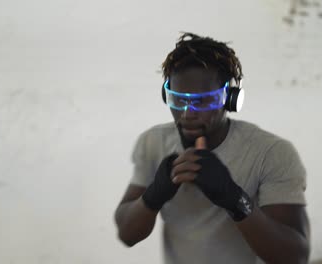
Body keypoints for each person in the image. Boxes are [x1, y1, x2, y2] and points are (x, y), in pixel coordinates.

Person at [114, 32, 310, 264]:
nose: (188, 113)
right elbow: (127, 234)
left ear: (230, 99)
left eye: (202, 101)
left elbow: (295, 257)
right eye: (179, 99)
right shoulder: (153, 142)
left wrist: (235, 199)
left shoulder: (271, 153)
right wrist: (154, 195)